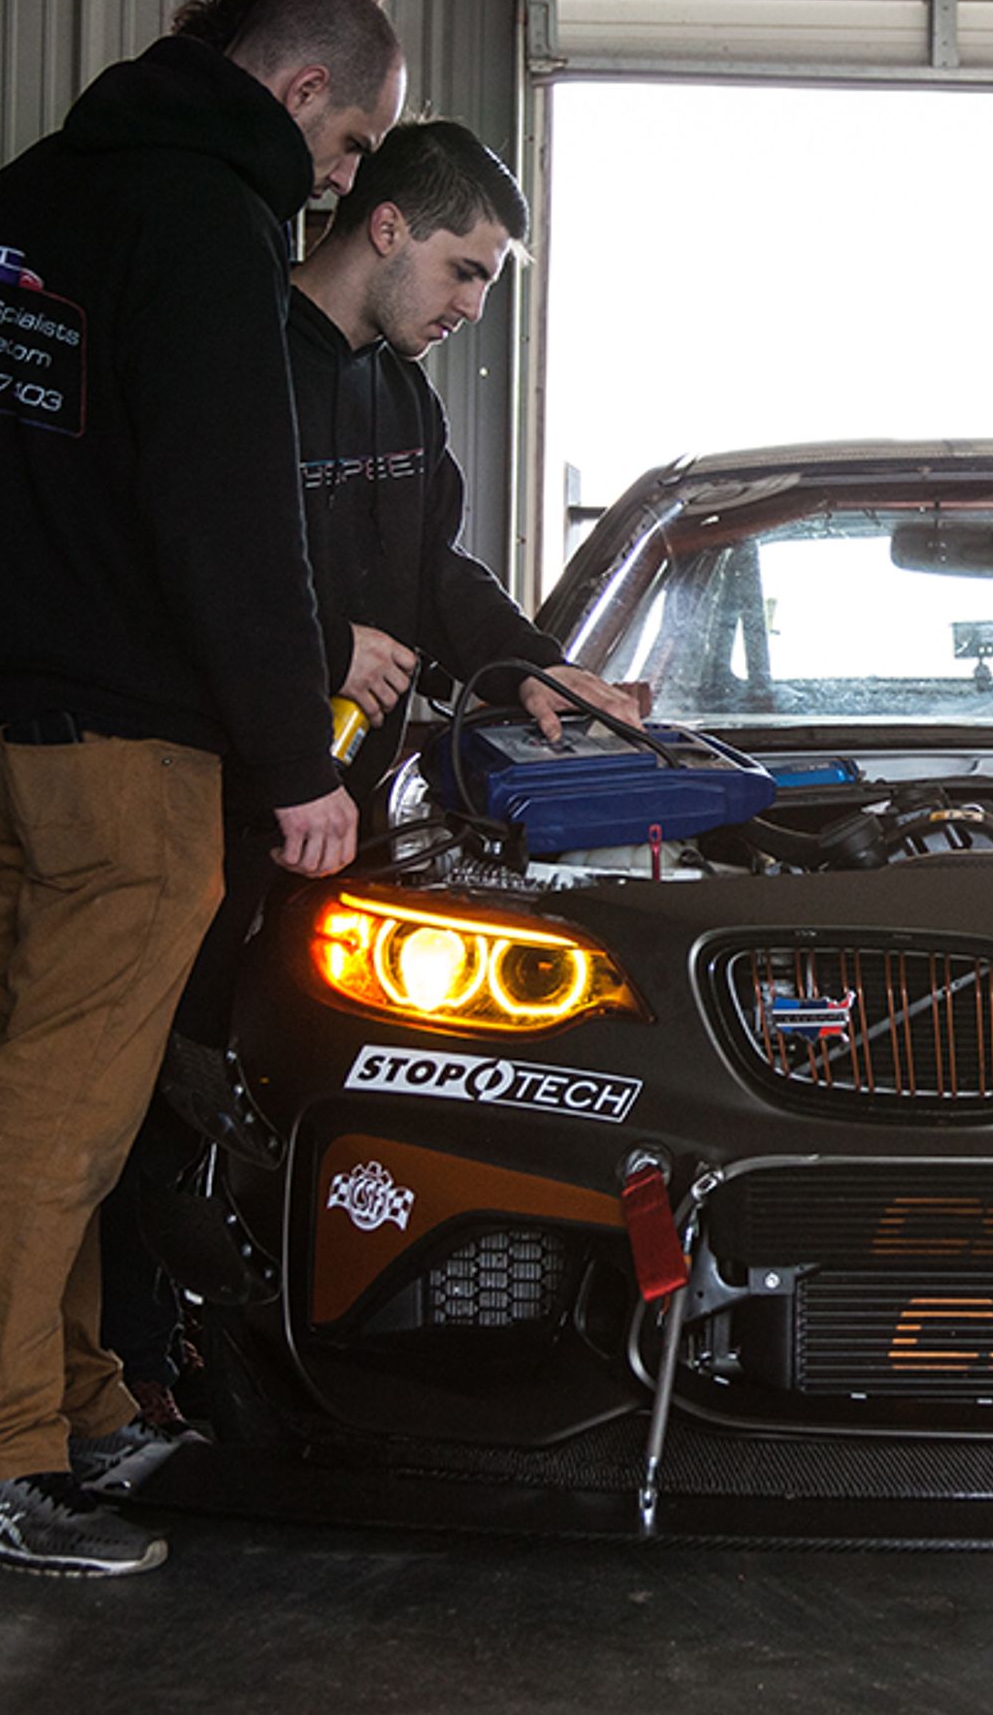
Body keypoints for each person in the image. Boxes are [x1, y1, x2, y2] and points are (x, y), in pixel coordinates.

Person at [0, 0, 406, 1577]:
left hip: (9, 719)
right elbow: (227, 517)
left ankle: (73, 1403)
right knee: (67, 1115)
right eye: (349, 147)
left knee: (48, 1079)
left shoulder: (17, 204)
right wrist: (295, 762)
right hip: (130, 742)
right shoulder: (202, 219)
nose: (337, 181)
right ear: (302, 91)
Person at [95, 121, 643, 1435]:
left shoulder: (400, 395)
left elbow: (434, 573)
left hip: (346, 812)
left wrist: (530, 671)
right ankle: (125, 1366)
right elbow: (176, 568)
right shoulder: (235, 365)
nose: (471, 307)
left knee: (289, 1084)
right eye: (465, 271)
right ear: (387, 227)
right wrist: (322, 650)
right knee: (153, 1086)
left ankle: (270, 1345)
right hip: (206, 795)